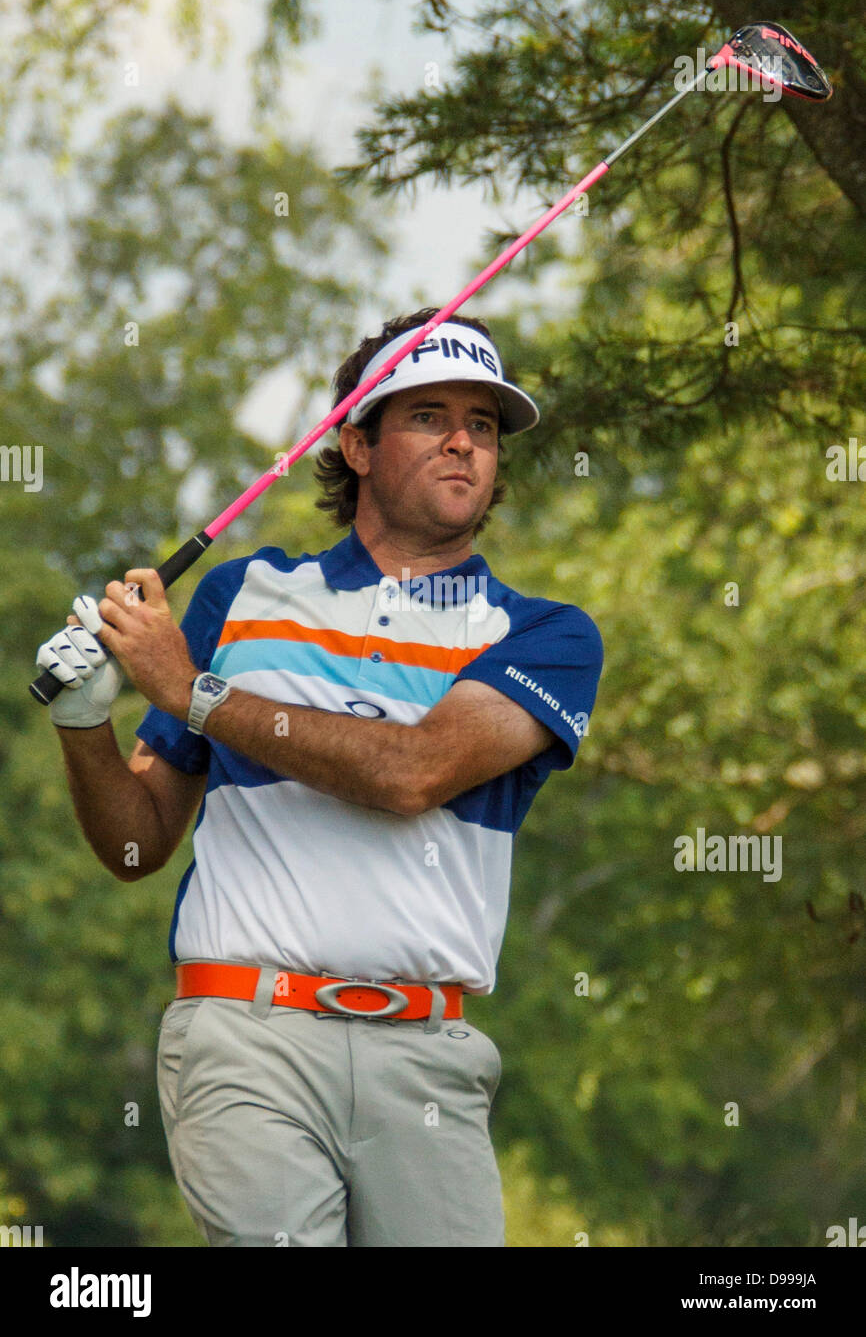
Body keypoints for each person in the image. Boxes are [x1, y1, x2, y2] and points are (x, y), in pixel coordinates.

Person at [37, 308, 603, 1247]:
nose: (465, 439)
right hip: (245, 1035)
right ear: (357, 443)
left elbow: (415, 772)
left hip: (429, 1057)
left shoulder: (543, 635)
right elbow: (137, 844)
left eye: (485, 423)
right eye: (429, 415)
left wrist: (191, 688)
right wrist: (83, 722)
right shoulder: (240, 596)